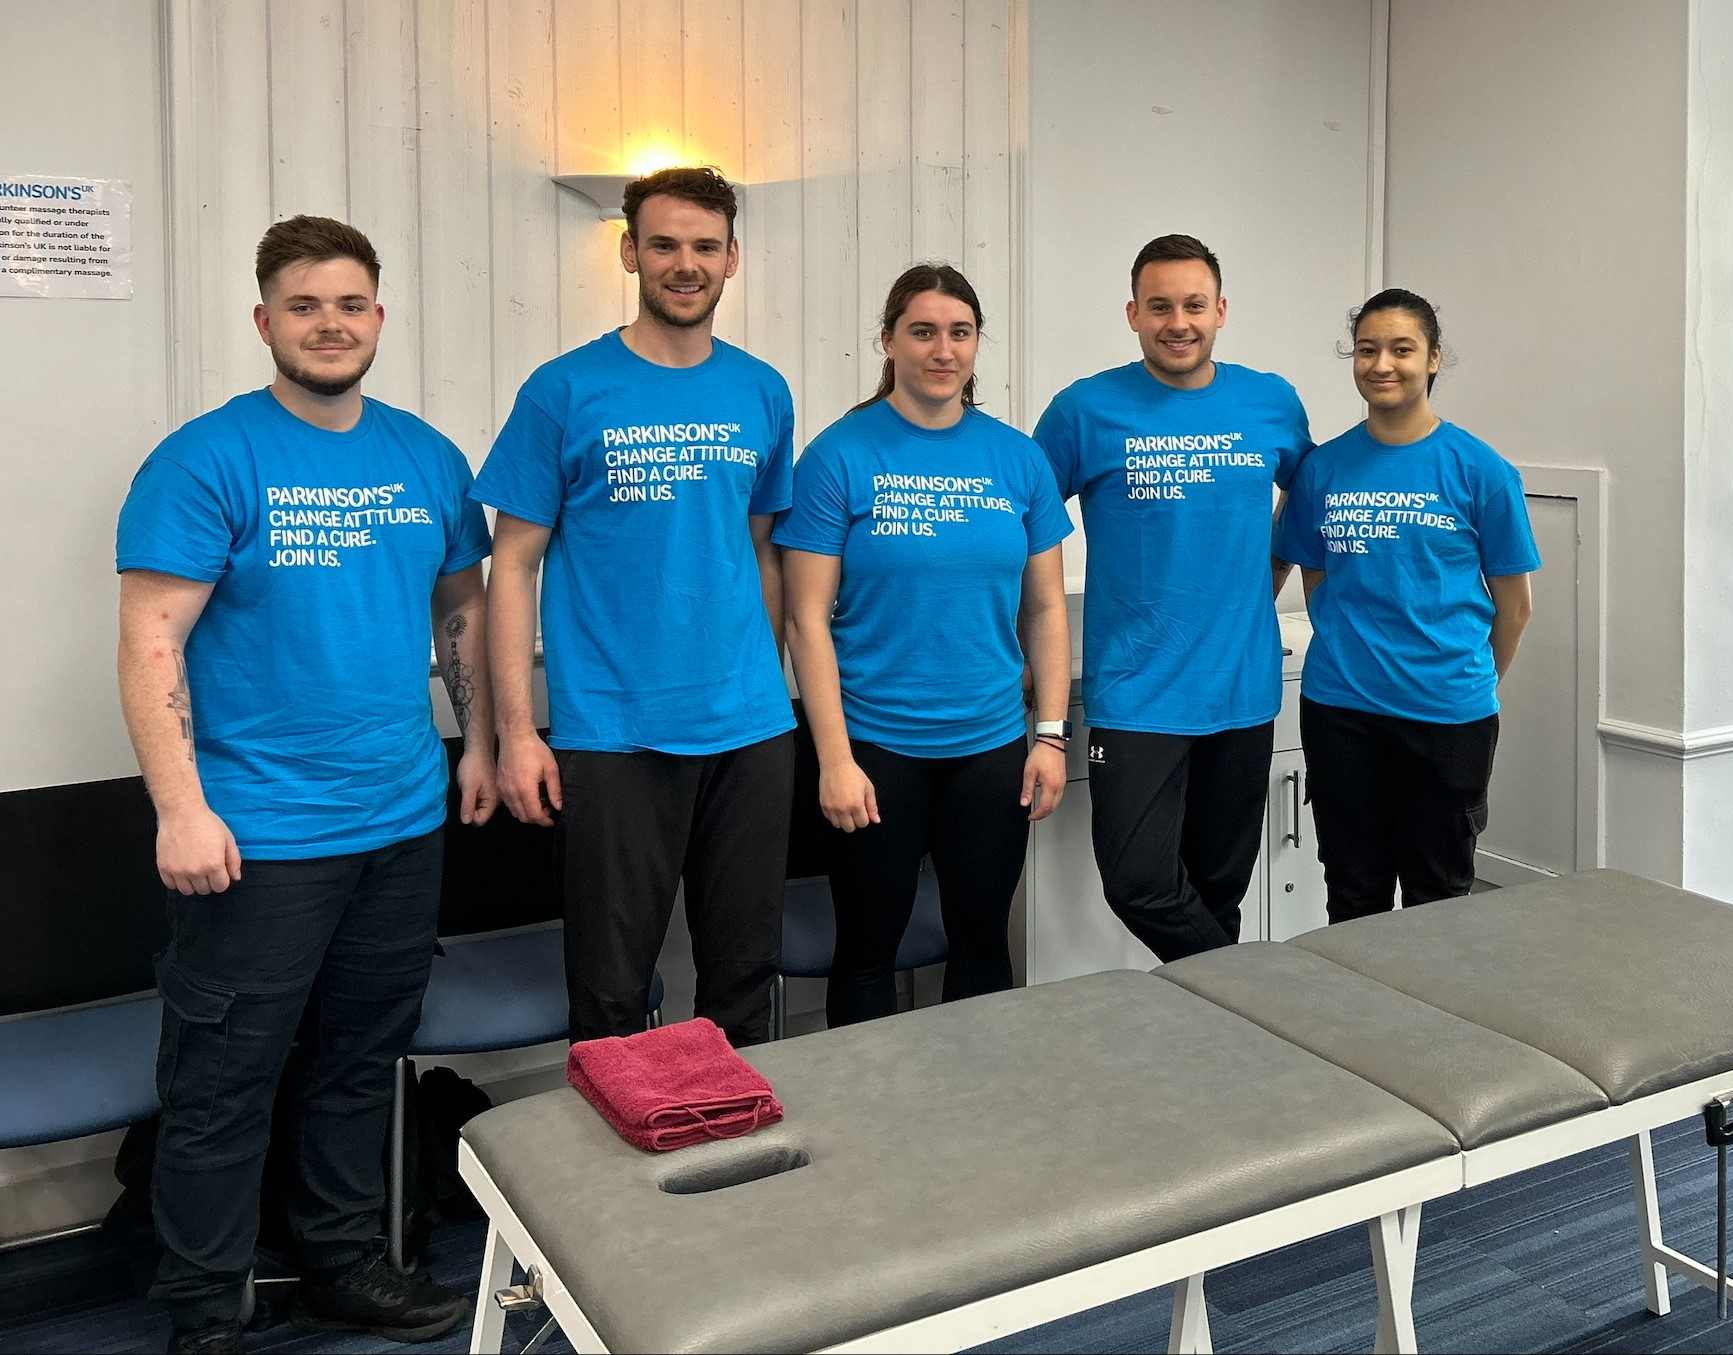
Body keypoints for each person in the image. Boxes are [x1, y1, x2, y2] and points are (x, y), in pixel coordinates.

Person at [115, 216, 495, 1355]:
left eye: (350, 305)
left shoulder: (426, 456)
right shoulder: (206, 459)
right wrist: (181, 807)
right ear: (265, 321)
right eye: (304, 306)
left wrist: (477, 741)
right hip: (258, 833)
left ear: (378, 317)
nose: (330, 324)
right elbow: (151, 642)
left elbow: (462, 609)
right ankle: (204, 1308)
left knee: (357, 1064)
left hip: (398, 820)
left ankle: (343, 1264)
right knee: (223, 1082)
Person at [476, 166, 794, 1047]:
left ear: (733, 258)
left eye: (704, 246)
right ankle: (609, 1182)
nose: (683, 264)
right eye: (663, 245)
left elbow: (761, 548)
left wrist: (761, 675)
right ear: (629, 252)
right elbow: (514, 564)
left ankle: (741, 1171)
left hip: (750, 728)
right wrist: (517, 731)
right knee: (612, 995)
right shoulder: (563, 391)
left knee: (744, 978)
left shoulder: (763, 391)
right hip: (614, 733)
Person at [778, 263, 1072, 1026]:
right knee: (869, 946)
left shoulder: (1016, 457)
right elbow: (805, 619)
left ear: (976, 345)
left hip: (990, 746)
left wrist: (1050, 735)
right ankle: (872, 1129)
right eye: (923, 331)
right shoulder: (840, 455)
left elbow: (1044, 608)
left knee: (982, 943)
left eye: (959, 332)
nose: (942, 349)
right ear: (888, 340)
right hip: (875, 749)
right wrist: (835, 759)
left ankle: (974, 1118)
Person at [1033, 235, 1312, 961]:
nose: (1177, 321)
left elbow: (1312, 507)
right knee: (1139, 883)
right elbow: (1022, 527)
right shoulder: (1084, 410)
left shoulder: (1271, 401)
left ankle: (1213, 1053)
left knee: (1220, 893)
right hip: (1136, 692)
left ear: (1221, 310)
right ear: (1132, 313)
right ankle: (1251, 991)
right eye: (1159, 306)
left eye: (1194, 305)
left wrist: (1264, 580)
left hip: (1243, 689)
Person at [1273, 288, 1537, 922]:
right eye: (1367, 350)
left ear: (1434, 359)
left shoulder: (1479, 470)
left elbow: (1516, 604)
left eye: (1402, 349)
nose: (1382, 364)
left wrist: (1461, 680)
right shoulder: (1324, 467)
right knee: (1352, 894)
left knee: (1438, 900)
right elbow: (1315, 571)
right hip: (1342, 712)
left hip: (1447, 717)